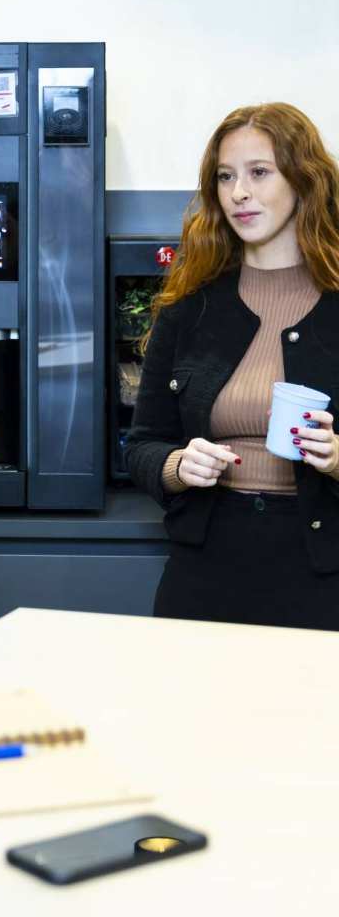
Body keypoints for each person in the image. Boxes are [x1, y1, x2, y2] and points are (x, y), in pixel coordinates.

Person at [126, 102, 339, 630]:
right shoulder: (190, 305)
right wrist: (178, 467)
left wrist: (337, 460)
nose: (238, 192)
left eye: (258, 173)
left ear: (303, 179)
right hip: (206, 563)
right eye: (225, 177)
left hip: (321, 570)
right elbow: (144, 444)